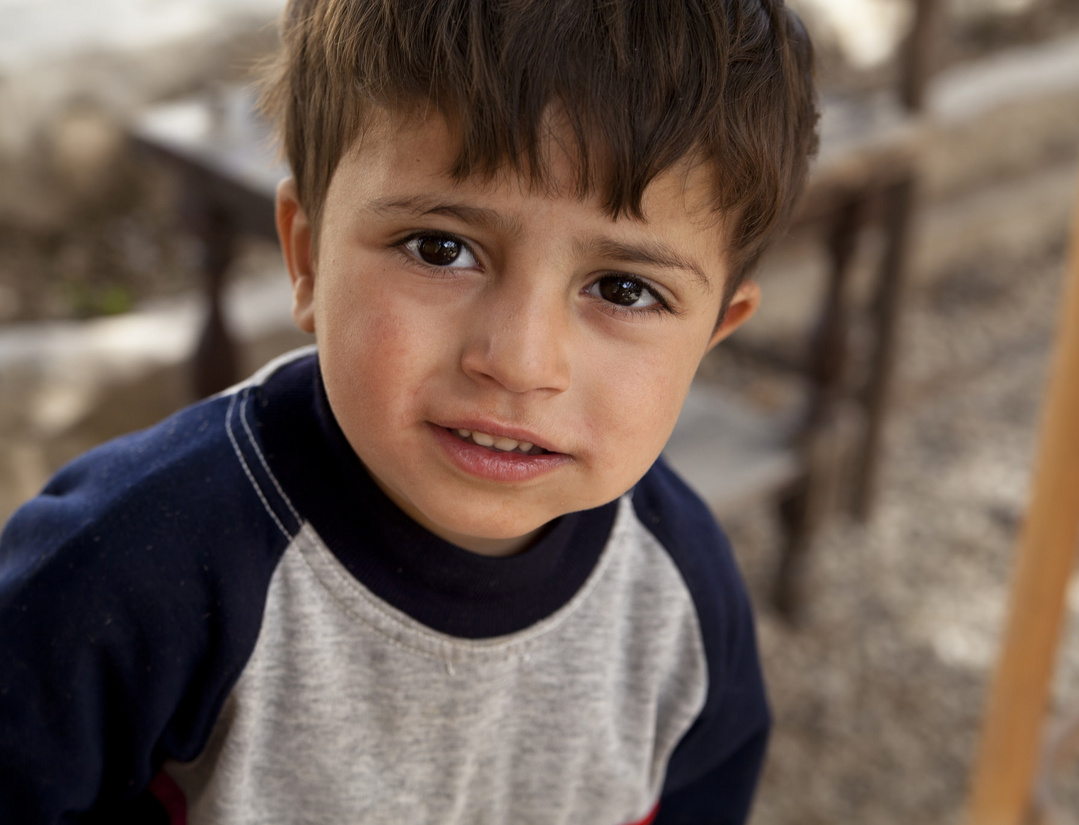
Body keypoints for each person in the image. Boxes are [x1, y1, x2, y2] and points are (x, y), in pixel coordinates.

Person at [0, 0, 818, 822]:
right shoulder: (130, 564)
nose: (521, 361)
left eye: (624, 289)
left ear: (714, 332)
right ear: (308, 256)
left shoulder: (680, 591)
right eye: (440, 248)